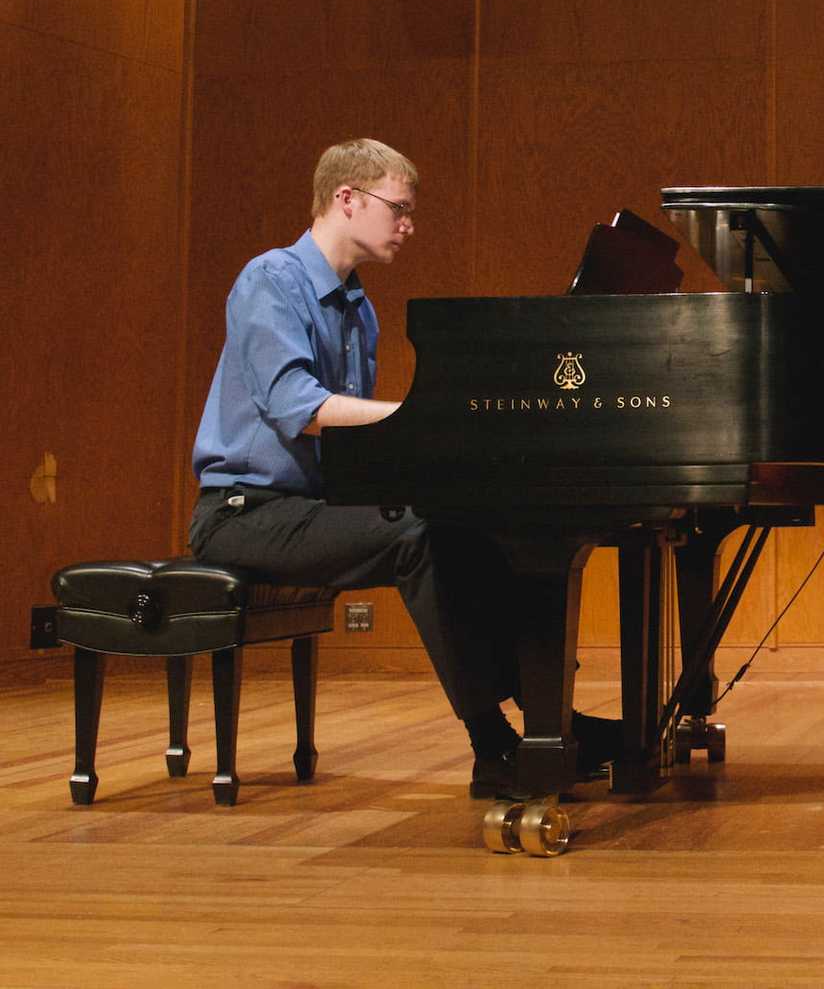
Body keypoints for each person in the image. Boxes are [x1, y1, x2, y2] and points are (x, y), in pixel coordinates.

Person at [189, 138, 620, 798]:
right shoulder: (269, 281)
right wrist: (417, 417)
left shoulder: (358, 309)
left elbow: (356, 448)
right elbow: (297, 407)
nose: (409, 224)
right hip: (242, 512)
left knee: (464, 523)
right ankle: (491, 744)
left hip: (308, 506)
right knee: (416, 536)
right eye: (399, 208)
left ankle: (547, 721)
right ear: (346, 198)